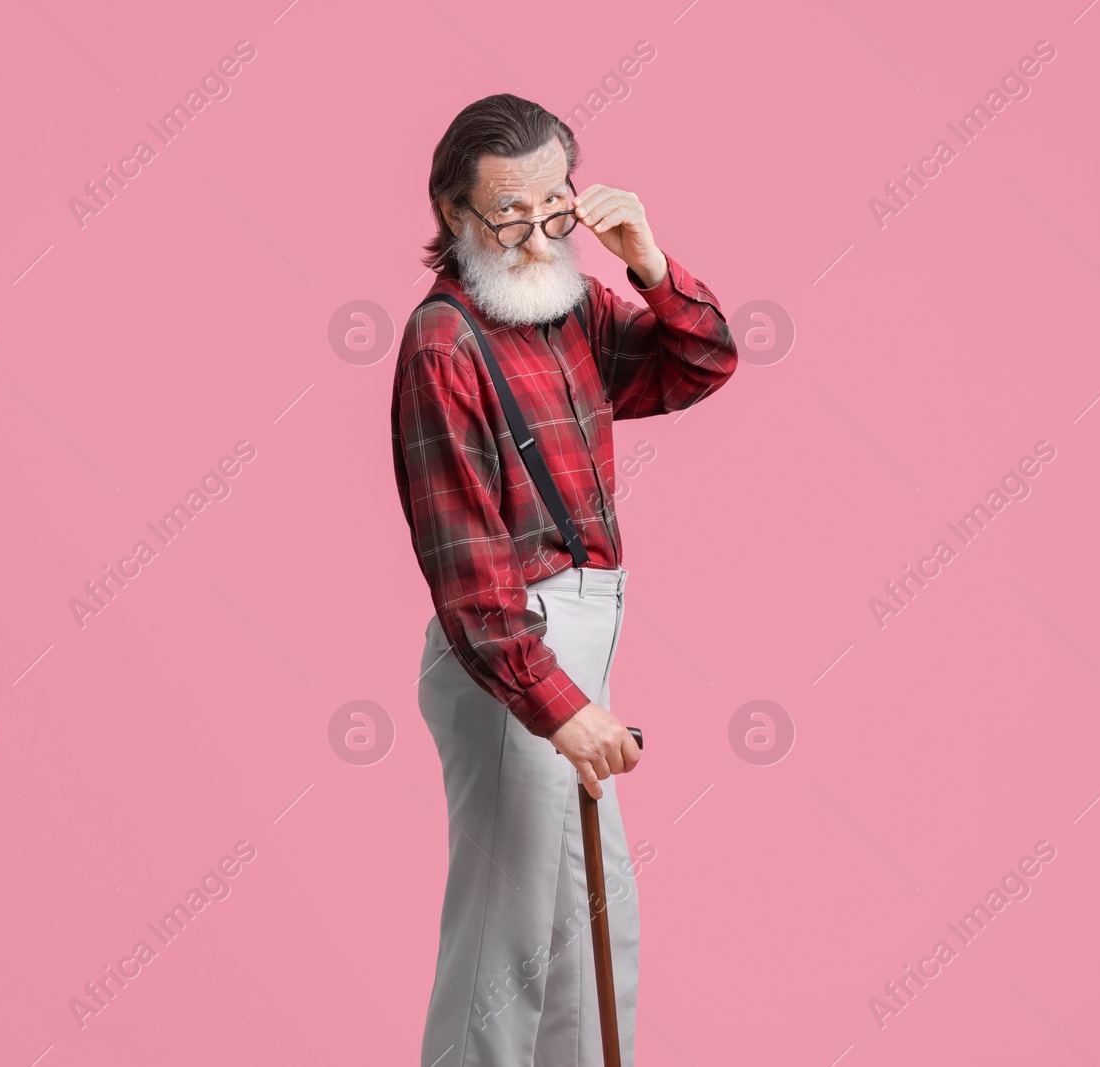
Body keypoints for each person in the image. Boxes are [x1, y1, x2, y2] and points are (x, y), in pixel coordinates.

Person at [389, 93, 738, 1067]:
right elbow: (468, 580)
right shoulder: (443, 344)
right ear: (456, 215)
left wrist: (650, 261)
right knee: (502, 960)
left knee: (594, 937)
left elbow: (700, 361)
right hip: (510, 664)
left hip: (576, 659)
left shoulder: (569, 305)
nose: (539, 232)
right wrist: (558, 705)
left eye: (556, 206)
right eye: (510, 214)